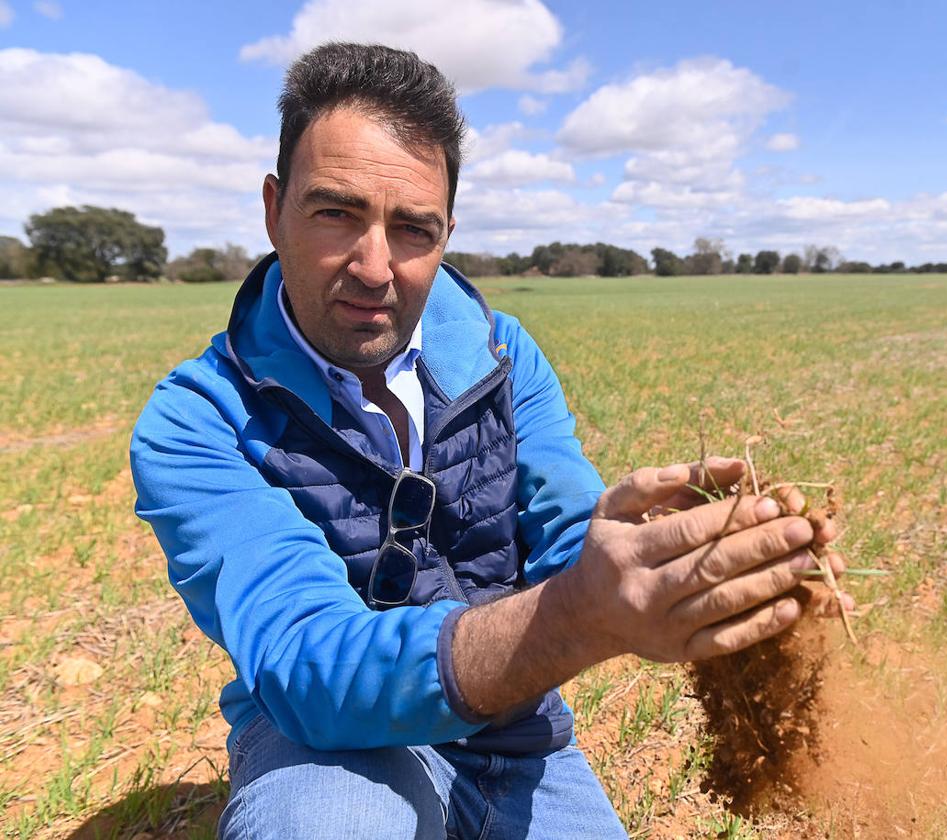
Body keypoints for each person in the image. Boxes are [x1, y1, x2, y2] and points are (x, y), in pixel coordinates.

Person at [130, 42, 847, 840]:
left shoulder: (502, 357)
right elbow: (308, 665)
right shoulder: (199, 421)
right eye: (336, 212)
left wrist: (680, 557)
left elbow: (571, 537)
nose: (375, 266)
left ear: (446, 234)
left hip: (512, 729)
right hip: (327, 752)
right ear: (273, 208)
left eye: (413, 229)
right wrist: (580, 614)